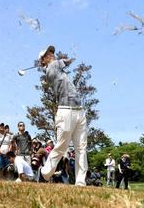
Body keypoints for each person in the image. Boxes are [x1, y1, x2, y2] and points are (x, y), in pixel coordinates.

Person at [38, 45, 88, 186]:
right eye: (47, 55)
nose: (51, 55)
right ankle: (44, 174)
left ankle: (80, 180)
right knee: (61, 146)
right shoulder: (51, 68)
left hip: (79, 110)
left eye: (51, 53)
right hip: (65, 111)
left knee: (81, 147)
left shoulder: (56, 67)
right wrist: (71, 58)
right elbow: (66, 61)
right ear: (43, 61)